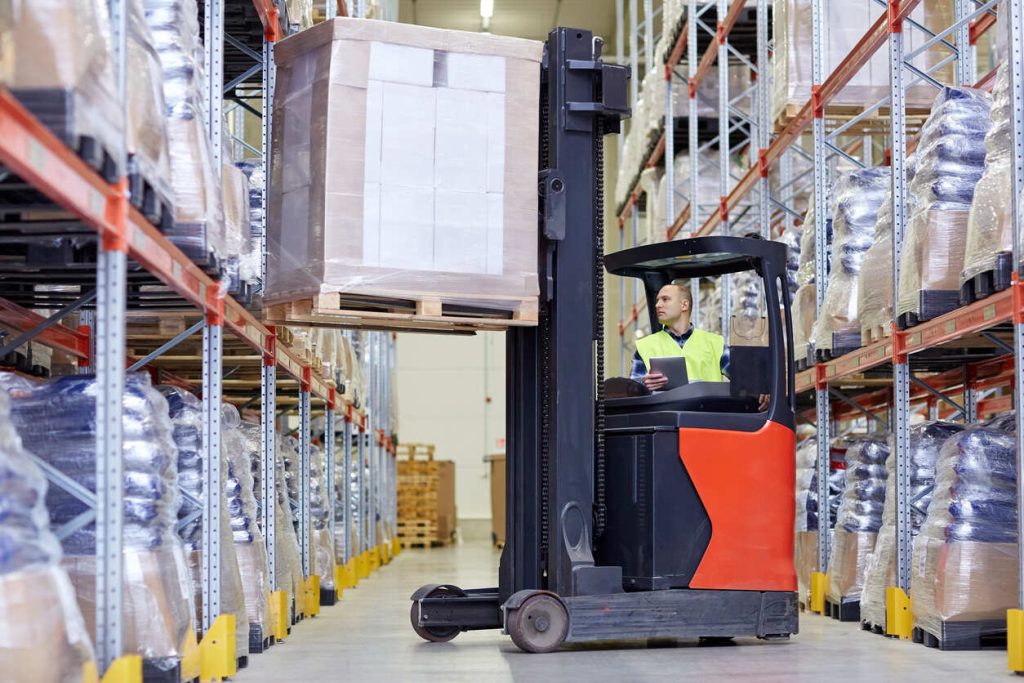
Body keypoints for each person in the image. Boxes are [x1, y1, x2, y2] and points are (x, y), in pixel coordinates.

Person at [629, 280, 769, 411]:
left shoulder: (714, 343)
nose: (658, 305)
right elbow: (631, 392)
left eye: (665, 299)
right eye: (658, 300)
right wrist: (643, 384)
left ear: (684, 305)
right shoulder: (645, 346)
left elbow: (743, 376)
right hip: (665, 423)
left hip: (707, 422)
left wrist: (761, 388)